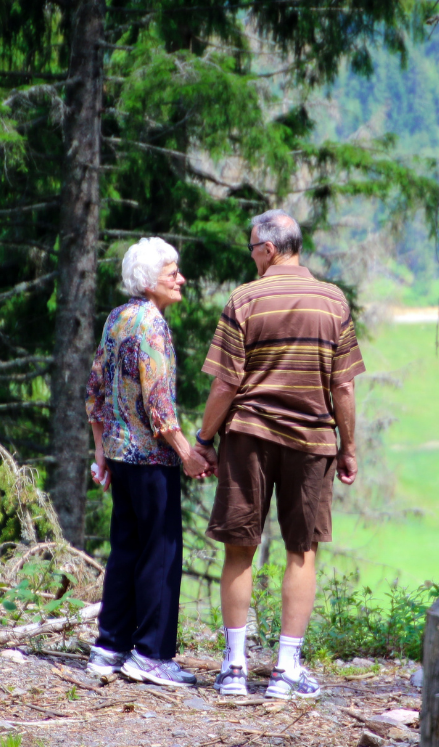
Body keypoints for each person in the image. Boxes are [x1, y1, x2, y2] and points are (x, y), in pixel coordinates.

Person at [195, 210, 363, 698]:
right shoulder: (333, 301)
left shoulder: (244, 299)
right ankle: (287, 671)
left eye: (252, 248)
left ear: (268, 249)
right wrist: (348, 448)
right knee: (302, 550)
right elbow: (344, 385)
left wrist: (204, 441)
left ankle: (234, 668)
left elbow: (226, 383)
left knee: (239, 549)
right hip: (312, 441)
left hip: (248, 436)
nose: (251, 256)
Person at [84, 237, 208, 688]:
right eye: (172, 272)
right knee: (160, 553)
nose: (181, 279)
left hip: (120, 455)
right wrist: (187, 454)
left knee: (126, 550)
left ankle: (109, 646)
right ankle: (152, 654)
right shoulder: (152, 325)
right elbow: (160, 406)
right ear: (150, 281)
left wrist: (101, 454)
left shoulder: (117, 318)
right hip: (152, 457)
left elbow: (94, 392)